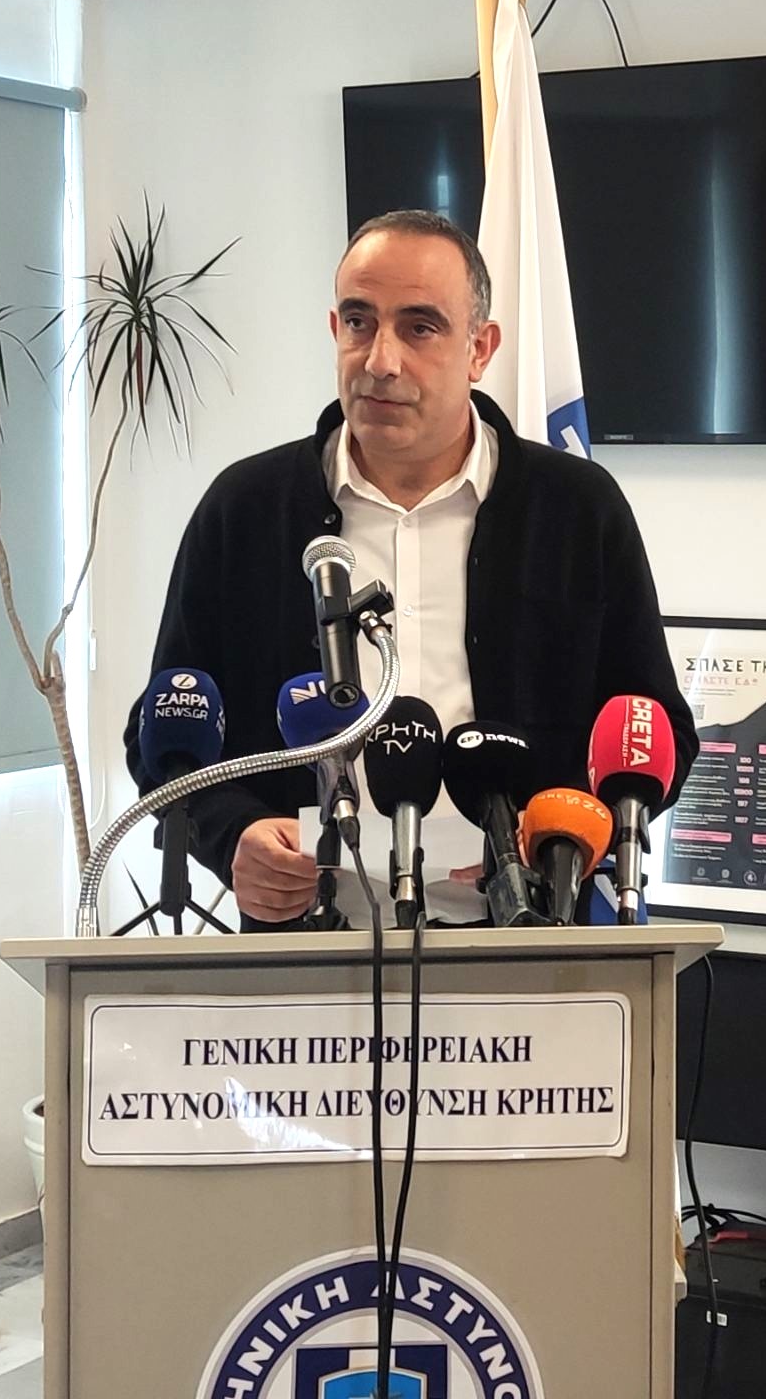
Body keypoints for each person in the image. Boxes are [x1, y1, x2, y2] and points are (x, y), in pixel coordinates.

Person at [125, 209, 696, 926]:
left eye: (420, 327)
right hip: (306, 943)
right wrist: (231, 832)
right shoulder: (245, 509)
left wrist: (568, 834)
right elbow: (166, 730)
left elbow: (652, 729)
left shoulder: (577, 510)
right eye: (359, 322)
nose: (381, 360)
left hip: (529, 937)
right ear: (334, 330)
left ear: (480, 348)